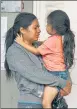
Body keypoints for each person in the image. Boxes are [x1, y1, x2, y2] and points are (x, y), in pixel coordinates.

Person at [5, 12, 72, 108]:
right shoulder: (14, 52)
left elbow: (60, 63)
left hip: (56, 103)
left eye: (39, 27)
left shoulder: (40, 46)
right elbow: (34, 73)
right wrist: (63, 83)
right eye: (35, 27)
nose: (39, 30)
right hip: (32, 104)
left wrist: (67, 81)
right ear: (22, 30)